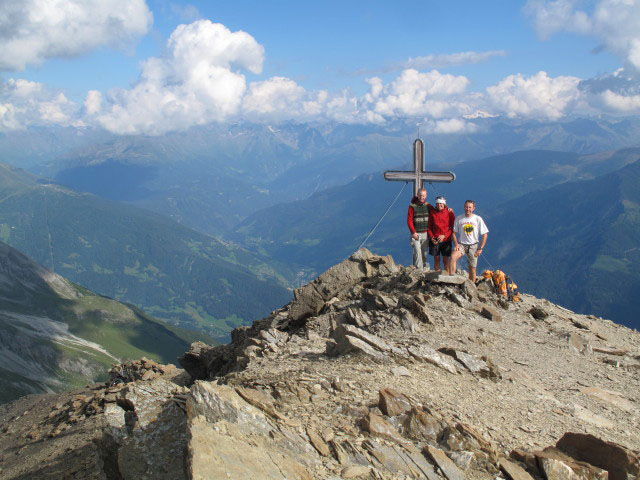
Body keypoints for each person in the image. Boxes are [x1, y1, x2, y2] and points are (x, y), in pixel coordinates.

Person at [449, 200, 489, 282]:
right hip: (462, 245)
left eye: (470, 207)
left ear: (473, 208)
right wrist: (456, 244)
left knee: (472, 268)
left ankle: (472, 286)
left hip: (473, 245)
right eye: (466, 207)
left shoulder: (478, 219)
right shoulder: (459, 218)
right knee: (453, 256)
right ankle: (451, 277)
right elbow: (454, 233)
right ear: (464, 207)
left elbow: (485, 234)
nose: (468, 209)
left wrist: (480, 248)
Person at [427, 196, 455, 272]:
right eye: (438, 203)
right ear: (436, 204)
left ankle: (447, 275)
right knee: (436, 259)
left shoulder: (449, 213)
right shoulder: (432, 213)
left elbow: (452, 228)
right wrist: (432, 237)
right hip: (435, 239)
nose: (439, 205)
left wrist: (444, 236)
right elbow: (429, 227)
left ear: (444, 204)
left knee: (445, 260)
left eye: (441, 203)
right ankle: (437, 276)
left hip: (446, 240)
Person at [407, 187, 432, 270]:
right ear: (417, 195)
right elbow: (409, 221)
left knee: (424, 253)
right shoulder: (412, 206)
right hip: (416, 233)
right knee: (417, 250)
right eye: (420, 195)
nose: (422, 197)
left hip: (425, 233)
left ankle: (423, 265)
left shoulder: (428, 206)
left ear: (426, 196)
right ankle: (419, 270)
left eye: (424, 196)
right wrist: (413, 232)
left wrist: (447, 209)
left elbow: (437, 211)